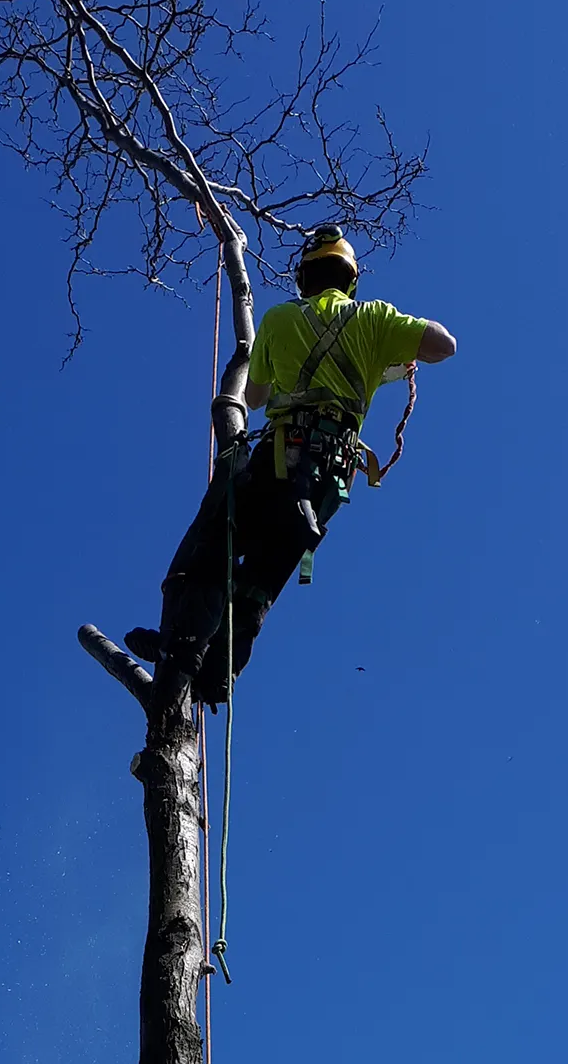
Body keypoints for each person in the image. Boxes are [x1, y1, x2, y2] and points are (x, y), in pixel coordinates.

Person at [125, 224, 458, 704]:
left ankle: (184, 649)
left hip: (280, 460)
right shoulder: (374, 319)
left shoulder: (280, 318)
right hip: (327, 483)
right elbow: (444, 345)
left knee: (215, 543)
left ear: (304, 279)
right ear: (351, 279)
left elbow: (255, 397)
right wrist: (387, 362)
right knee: (263, 579)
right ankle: (221, 674)